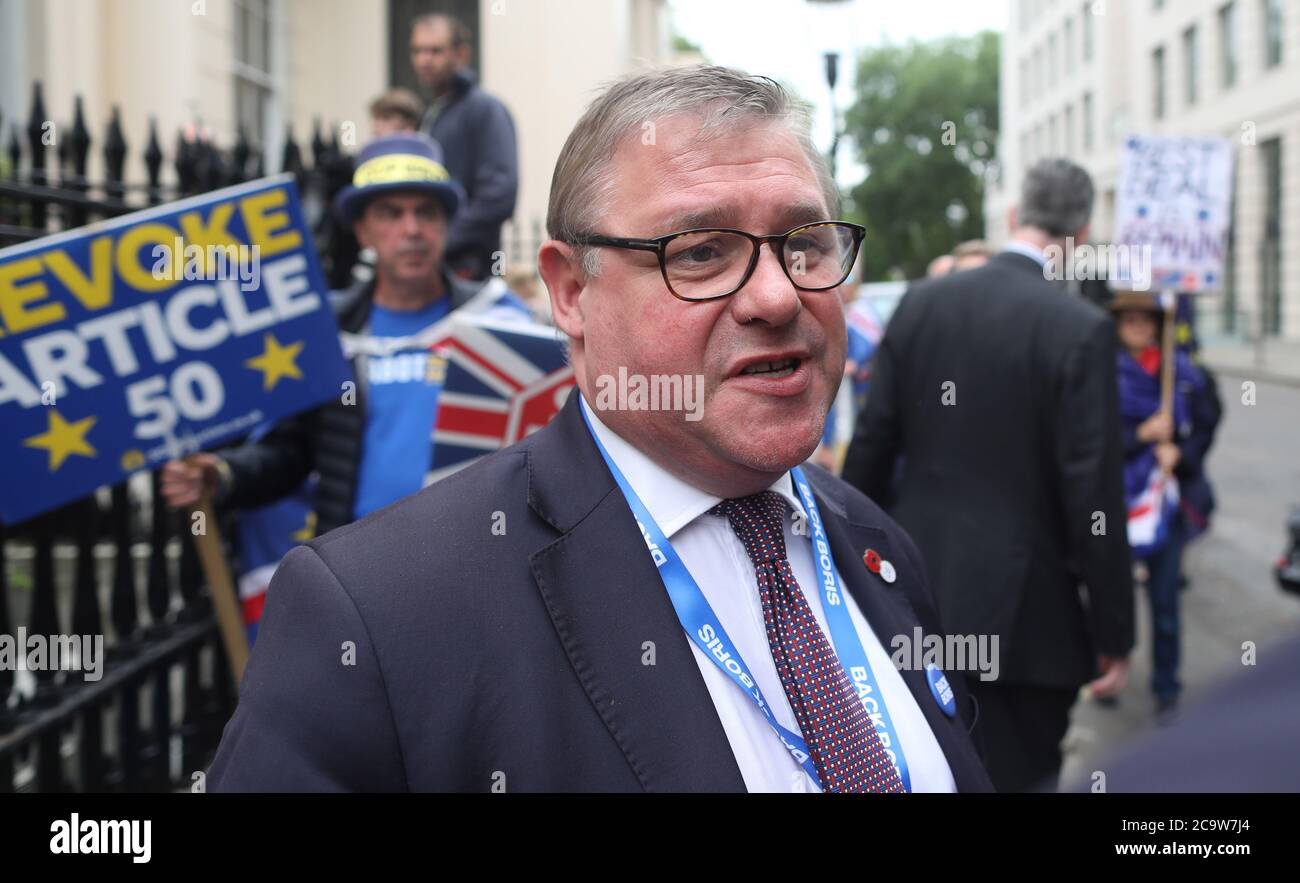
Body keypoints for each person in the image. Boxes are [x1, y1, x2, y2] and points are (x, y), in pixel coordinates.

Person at [205, 65, 993, 793]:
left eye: (804, 245)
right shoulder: (374, 615)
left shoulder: (877, 543)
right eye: (703, 252)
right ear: (571, 292)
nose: (776, 297)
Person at [842, 158, 1134, 793]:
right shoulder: (1079, 328)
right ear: (1080, 235)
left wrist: (847, 575)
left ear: (1012, 216)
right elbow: (1095, 497)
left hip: (914, 600)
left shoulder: (920, 303)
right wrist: (1115, 630)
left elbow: (869, 447)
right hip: (1029, 626)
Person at [161, 133, 528, 536]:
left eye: (427, 212)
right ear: (362, 231)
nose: (412, 229)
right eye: (390, 213)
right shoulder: (327, 329)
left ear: (445, 224)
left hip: (475, 557)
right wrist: (227, 474)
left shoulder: (496, 321)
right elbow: (291, 451)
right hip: (358, 566)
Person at [1111, 292, 1216, 721]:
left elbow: (1206, 425)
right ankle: (1109, 670)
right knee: (1112, 601)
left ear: (1158, 324)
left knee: (1165, 601)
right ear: (1118, 326)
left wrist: (1181, 453)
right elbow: (1088, 441)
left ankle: (1167, 686)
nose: (1138, 326)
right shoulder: (1100, 374)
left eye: (1146, 319)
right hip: (1116, 507)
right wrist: (1139, 437)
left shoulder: (1183, 373)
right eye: (1129, 319)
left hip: (1167, 507)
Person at [411, 13, 518, 280]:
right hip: (435, 273)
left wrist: (440, 242)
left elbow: (498, 197)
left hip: (470, 273)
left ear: (461, 54)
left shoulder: (484, 109)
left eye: (435, 51)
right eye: (418, 50)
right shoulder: (432, 113)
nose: (425, 60)